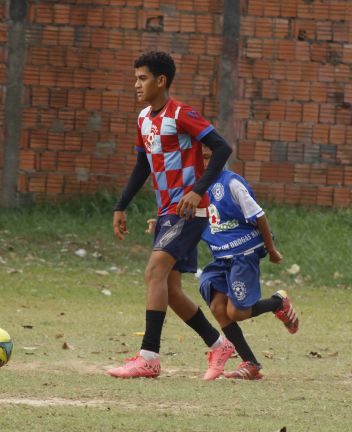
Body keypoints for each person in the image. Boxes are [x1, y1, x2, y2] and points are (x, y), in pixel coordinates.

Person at [108, 51, 234, 379]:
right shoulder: (143, 119)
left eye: (142, 78)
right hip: (167, 212)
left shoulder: (181, 114)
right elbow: (141, 166)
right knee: (172, 289)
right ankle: (219, 344)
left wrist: (197, 190)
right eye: (135, 78)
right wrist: (121, 205)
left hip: (190, 210)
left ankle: (149, 357)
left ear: (160, 81)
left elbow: (221, 148)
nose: (136, 84)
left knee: (154, 272)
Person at [198, 147, 300, 380]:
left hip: (244, 253)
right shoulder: (198, 187)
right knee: (216, 306)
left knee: (237, 312)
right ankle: (251, 364)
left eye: (207, 158)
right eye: (198, 157)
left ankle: (277, 303)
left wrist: (271, 250)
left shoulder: (232, 184)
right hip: (221, 257)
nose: (203, 162)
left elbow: (259, 215)